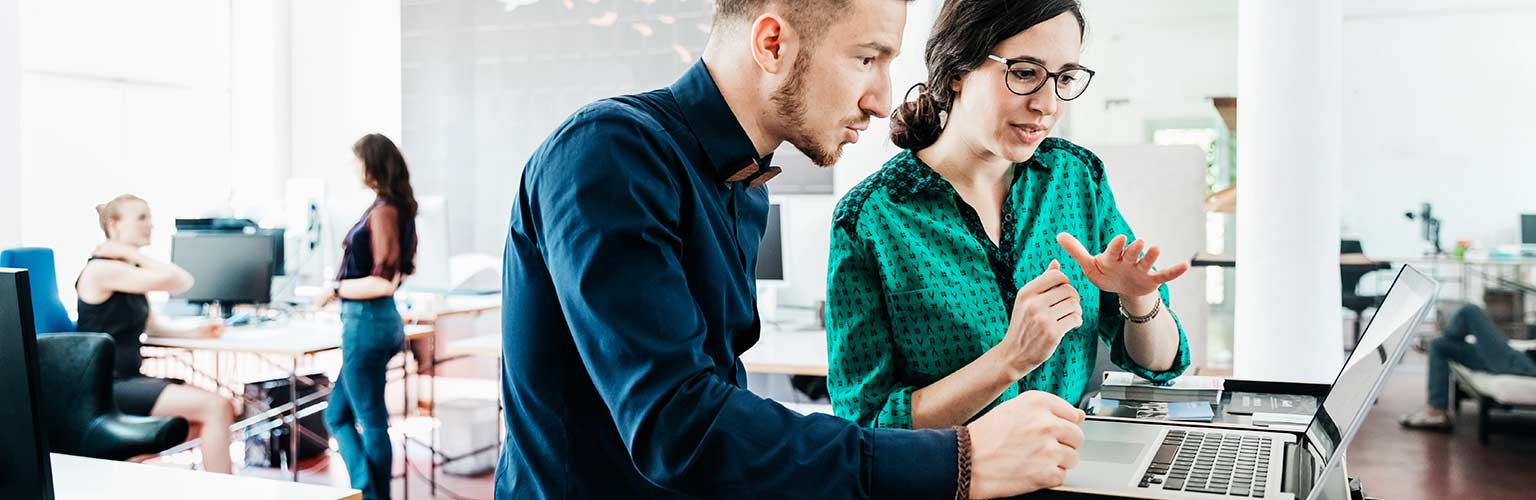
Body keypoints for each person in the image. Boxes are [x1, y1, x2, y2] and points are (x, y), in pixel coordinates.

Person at [497, 0, 1090, 498]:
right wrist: (962, 460)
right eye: (867, 59)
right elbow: (680, 428)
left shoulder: (742, 187)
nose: (883, 100)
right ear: (773, 43)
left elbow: (721, 414)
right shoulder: (609, 154)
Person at [826, 0, 1192, 431]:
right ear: (957, 70)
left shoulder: (1076, 178)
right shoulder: (869, 219)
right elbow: (865, 425)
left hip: (1069, 470)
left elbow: (1162, 362)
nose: (1048, 104)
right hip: (952, 482)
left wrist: (1139, 299)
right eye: (1024, 73)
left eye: (1065, 78)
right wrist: (1010, 358)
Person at [75, 194, 235, 473]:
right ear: (114, 225)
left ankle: (124, 465)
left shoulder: (127, 272)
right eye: (141, 217)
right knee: (217, 408)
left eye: (149, 217)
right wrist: (132, 254)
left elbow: (154, 328)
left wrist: (197, 333)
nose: (150, 225)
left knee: (195, 424)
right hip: (105, 385)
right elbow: (181, 280)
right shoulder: (102, 269)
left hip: (128, 379)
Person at [314, 133, 418, 500]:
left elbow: (384, 282)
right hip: (375, 323)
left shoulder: (386, 211)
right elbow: (403, 272)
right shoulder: (392, 208)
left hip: (368, 323)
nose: (353, 168)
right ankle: (367, 488)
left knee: (372, 423)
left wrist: (335, 290)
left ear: (372, 164)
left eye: (356, 160)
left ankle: (372, 495)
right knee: (337, 416)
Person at [1399, 303, 1536, 430]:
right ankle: (1436, 411)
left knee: (1470, 311)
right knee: (1439, 345)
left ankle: (1443, 335)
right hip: (1522, 358)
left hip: (1523, 365)